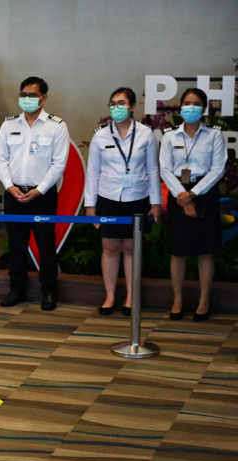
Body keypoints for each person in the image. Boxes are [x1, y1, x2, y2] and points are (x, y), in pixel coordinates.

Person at [0, 76, 70, 311]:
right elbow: (0, 157)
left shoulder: (56, 125)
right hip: (14, 193)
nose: (26, 99)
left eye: (32, 95)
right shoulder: (9, 124)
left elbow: (59, 164)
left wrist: (39, 190)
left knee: (46, 244)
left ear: (44, 98)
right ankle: (16, 289)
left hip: (42, 196)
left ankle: (49, 291)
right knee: (16, 245)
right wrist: (9, 186)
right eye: (23, 95)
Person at [85, 87, 162, 316]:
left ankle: (130, 297)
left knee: (131, 248)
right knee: (110, 247)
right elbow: (93, 172)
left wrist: (156, 203)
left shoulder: (146, 134)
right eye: (113, 103)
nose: (116, 108)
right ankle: (109, 296)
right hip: (108, 198)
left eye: (121, 103)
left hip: (137, 198)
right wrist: (90, 206)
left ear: (132, 107)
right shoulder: (100, 135)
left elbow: (153, 169)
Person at [160, 87, 226, 321]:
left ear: (204, 108)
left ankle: (204, 299)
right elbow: (165, 169)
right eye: (187, 103)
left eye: (196, 103)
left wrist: (193, 194)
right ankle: (177, 298)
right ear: (180, 106)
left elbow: (217, 170)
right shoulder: (170, 136)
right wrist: (182, 195)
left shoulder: (214, 135)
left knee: (204, 250)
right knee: (178, 250)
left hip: (205, 193)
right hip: (178, 192)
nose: (191, 108)